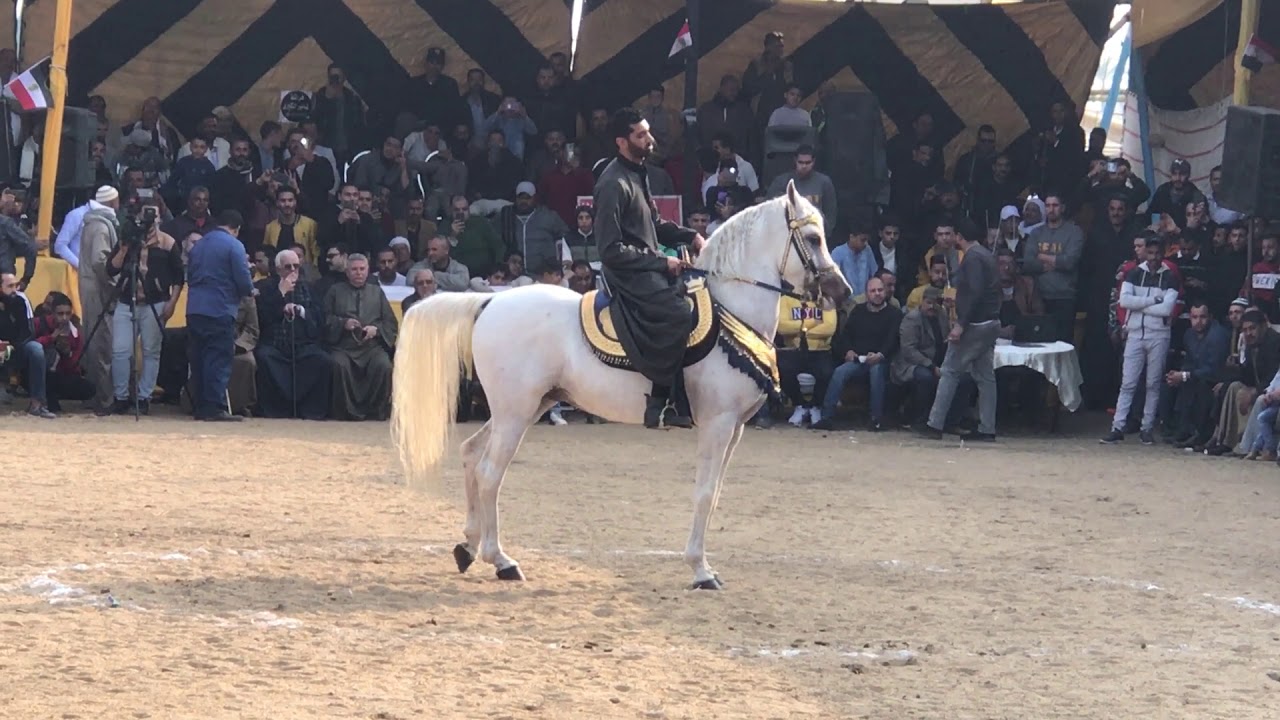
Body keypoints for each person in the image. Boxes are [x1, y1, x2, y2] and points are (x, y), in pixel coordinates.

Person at [594, 108, 705, 429]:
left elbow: (653, 224)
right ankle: (661, 400)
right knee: (679, 313)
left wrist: (692, 236)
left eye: (648, 132)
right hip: (627, 275)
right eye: (640, 135)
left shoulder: (638, 172)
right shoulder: (612, 184)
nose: (650, 139)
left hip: (647, 266)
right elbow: (610, 250)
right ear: (621, 141)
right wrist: (662, 261)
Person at [919, 218, 1002, 441]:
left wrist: (960, 325)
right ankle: (987, 428)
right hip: (991, 322)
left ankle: (935, 424)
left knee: (949, 371)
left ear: (959, 236)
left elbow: (974, 292)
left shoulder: (972, 258)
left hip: (975, 324)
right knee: (986, 377)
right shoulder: (986, 255)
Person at [185, 210, 254, 421]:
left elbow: (191, 275)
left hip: (195, 308)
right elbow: (243, 281)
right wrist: (250, 291)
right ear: (236, 229)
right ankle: (214, 407)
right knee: (218, 359)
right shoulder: (234, 245)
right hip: (220, 308)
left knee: (198, 358)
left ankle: (199, 405)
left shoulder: (199, 246)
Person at [254, 249, 331, 420]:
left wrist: (301, 311)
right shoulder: (265, 287)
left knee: (322, 360)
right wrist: (280, 294)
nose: (292, 270)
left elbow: (319, 317)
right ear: (278, 269)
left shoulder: (310, 288)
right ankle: (274, 411)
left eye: (296, 266)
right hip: (274, 344)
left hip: (303, 344)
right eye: (287, 267)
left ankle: (311, 412)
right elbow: (261, 316)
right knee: (264, 358)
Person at [323, 253, 398, 420]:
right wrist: (343, 323)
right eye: (354, 269)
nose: (358, 273)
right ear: (347, 272)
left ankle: (376, 411)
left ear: (368, 270)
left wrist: (376, 330)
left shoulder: (377, 293)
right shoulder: (335, 291)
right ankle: (344, 412)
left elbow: (391, 323)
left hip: (371, 347)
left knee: (383, 365)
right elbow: (324, 319)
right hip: (344, 346)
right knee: (339, 365)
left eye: (362, 269)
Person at [78, 185, 122, 414]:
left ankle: (98, 393)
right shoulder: (101, 228)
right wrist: (113, 285)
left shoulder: (93, 223)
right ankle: (105, 398)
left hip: (90, 287)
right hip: (98, 289)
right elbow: (100, 262)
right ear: (112, 201)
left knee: (96, 341)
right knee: (101, 343)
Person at [0, 272, 55, 418]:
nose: (14, 290)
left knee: (35, 349)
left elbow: (27, 332)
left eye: (16, 285)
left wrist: (11, 346)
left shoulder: (20, 301)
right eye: (10, 286)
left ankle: (38, 404)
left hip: (15, 348)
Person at [33, 291, 95, 413]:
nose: (64, 318)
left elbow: (74, 367)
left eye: (68, 313)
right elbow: (29, 346)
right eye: (60, 314)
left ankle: (52, 396)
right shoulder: (38, 323)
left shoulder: (75, 333)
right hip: (37, 373)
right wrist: (51, 338)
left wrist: (66, 354)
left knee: (89, 388)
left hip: (59, 374)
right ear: (53, 313)